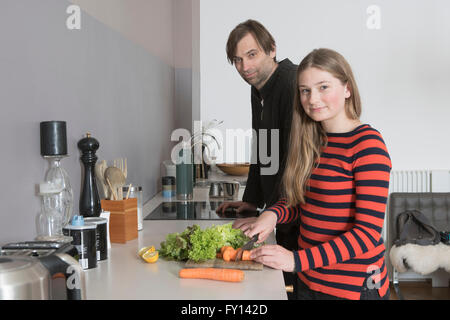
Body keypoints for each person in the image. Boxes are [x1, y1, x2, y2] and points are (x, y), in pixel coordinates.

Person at [234, 48, 392, 300]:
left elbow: (366, 234)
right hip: (308, 280)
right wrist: (272, 215)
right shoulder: (313, 141)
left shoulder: (368, 145)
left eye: (323, 87)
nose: (313, 98)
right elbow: (303, 203)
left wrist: (295, 260)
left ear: (347, 89)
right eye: (305, 90)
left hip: (350, 290)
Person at [217, 19, 299, 298]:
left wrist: (272, 213)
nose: (244, 67)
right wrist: (252, 199)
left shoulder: (291, 82)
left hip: (299, 212)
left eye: (251, 55)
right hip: (282, 211)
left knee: (296, 287)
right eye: (237, 60)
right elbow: (262, 146)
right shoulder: (259, 89)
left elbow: (294, 159)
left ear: (271, 49)